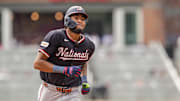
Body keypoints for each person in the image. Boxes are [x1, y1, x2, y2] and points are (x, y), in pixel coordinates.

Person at [33, 5, 95, 101]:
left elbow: (83, 62)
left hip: (72, 92)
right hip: (50, 91)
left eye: (82, 19)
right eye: (76, 18)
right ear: (67, 20)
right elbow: (37, 64)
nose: (80, 21)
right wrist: (64, 70)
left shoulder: (89, 45)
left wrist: (84, 81)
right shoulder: (56, 36)